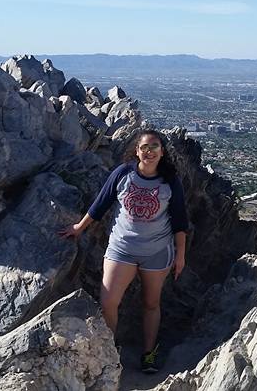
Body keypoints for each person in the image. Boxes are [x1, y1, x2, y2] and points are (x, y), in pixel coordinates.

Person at [60, 129, 188, 374]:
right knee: (108, 301)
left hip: (157, 252)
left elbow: (180, 221)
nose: (149, 151)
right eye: (144, 147)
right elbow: (101, 204)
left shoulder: (170, 181)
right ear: (137, 151)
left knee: (151, 303)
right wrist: (78, 227)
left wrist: (180, 255)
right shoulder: (123, 174)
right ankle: (110, 350)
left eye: (154, 146)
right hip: (122, 249)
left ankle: (149, 355)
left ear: (162, 151)